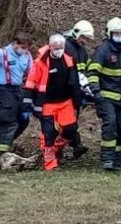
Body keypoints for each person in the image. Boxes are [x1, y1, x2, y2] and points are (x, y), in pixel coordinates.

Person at [23, 34, 82, 172]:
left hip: (65, 101)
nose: (59, 50)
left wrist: (78, 99)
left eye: (61, 47)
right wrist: (27, 104)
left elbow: (74, 82)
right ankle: (50, 162)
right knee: (49, 132)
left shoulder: (69, 60)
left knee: (71, 129)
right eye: (56, 48)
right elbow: (31, 83)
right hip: (47, 102)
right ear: (50, 47)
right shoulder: (40, 62)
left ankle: (55, 148)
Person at [87, 18, 121, 171]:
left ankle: (116, 159)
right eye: (116, 33)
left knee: (120, 127)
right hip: (106, 96)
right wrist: (96, 92)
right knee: (111, 124)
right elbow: (93, 72)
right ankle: (107, 159)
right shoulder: (103, 50)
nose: (119, 35)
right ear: (109, 33)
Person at [63, 20, 96, 159]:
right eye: (84, 38)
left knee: (71, 122)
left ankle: (75, 145)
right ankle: (73, 145)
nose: (85, 41)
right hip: (66, 91)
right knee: (67, 123)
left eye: (87, 39)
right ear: (77, 34)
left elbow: (86, 69)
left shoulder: (81, 50)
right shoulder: (66, 47)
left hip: (77, 91)